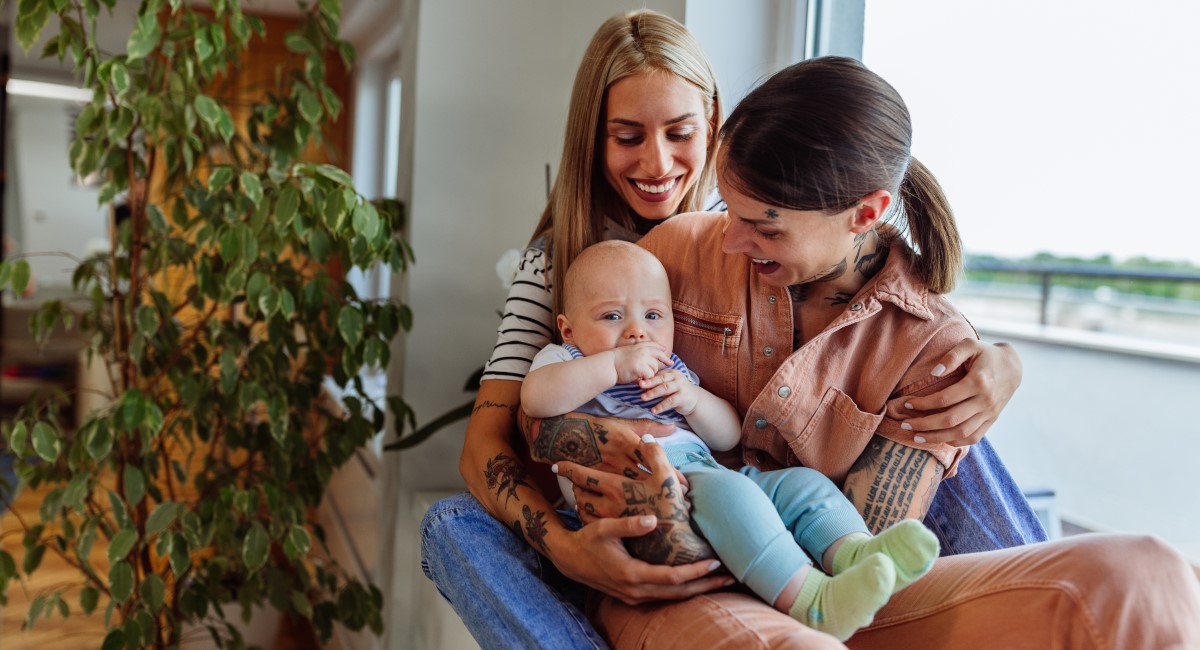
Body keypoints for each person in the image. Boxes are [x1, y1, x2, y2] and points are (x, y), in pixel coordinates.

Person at [421, 10, 1040, 649]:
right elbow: (492, 437)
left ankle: (1012, 606)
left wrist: (999, 359)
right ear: (594, 139)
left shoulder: (755, 234)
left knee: (959, 426)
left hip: (737, 483)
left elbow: (880, 317)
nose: (656, 162)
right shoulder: (563, 259)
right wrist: (570, 548)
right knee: (452, 524)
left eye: (679, 132)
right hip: (619, 493)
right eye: (627, 136)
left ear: (714, 125)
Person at [543, 55, 1200, 648]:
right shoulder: (674, 253)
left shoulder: (935, 350)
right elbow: (545, 402)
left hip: (813, 582)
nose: (731, 241)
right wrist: (583, 535)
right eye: (730, 208)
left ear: (866, 212)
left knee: (1147, 574)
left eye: (764, 225)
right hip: (674, 578)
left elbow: (866, 555)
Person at [525, 240, 941, 641]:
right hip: (647, 493)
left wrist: (692, 400)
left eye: (653, 316)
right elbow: (536, 398)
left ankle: (853, 553)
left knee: (801, 483)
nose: (637, 333)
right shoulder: (567, 359)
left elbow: (726, 435)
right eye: (612, 317)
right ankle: (813, 600)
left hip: (704, 471)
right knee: (733, 492)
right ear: (569, 328)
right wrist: (612, 366)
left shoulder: (671, 370)